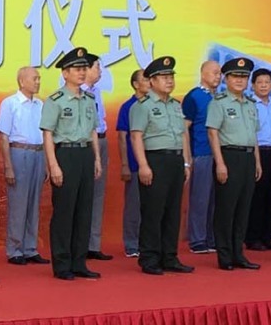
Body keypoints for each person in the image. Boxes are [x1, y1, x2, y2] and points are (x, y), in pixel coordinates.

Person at [41, 47, 102, 280]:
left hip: (85, 154)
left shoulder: (89, 99)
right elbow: (48, 134)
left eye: (84, 68)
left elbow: (93, 131)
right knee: (64, 212)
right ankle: (62, 264)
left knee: (84, 211)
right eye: (76, 69)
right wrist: (53, 165)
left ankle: (79, 262)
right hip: (65, 154)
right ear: (65, 73)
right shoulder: (55, 100)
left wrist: (96, 158)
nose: (81, 72)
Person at [131, 57, 193, 274]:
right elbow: (136, 137)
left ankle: (170, 257)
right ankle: (149, 258)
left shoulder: (176, 105)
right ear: (152, 81)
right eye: (164, 77)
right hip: (154, 160)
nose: (169, 81)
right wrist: (143, 165)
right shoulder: (143, 106)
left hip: (175, 160)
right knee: (153, 211)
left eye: (171, 77)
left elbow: (182, 134)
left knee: (172, 211)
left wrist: (186, 161)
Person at [206, 57, 262, 271]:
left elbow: (253, 136)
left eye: (244, 77)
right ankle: (225, 255)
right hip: (228, 157)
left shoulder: (250, 104)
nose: (240, 81)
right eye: (235, 76)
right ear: (226, 79)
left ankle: (239, 253)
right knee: (226, 209)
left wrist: (257, 161)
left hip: (248, 158)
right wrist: (220, 164)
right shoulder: (219, 103)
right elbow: (213, 134)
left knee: (243, 209)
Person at [0, 65, 46, 265]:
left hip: (39, 153)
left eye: (39, 78)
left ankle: (30, 248)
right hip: (19, 153)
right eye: (34, 78)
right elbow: (3, 137)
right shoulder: (10, 103)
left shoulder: (40, 105)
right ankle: (15, 249)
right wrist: (8, 166)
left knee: (34, 202)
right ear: (21, 81)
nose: (37, 82)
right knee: (18, 203)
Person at [181, 59, 221, 254]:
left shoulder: (220, 98)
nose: (218, 76)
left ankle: (211, 237)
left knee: (216, 199)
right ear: (203, 73)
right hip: (201, 153)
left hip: (219, 154)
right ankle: (197, 239)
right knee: (200, 198)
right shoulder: (194, 97)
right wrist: (187, 159)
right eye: (214, 72)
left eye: (219, 73)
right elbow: (184, 129)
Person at [246, 68, 271, 251]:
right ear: (253, 85)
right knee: (257, 196)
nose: (263, 85)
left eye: (267, 82)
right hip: (258, 152)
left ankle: (268, 237)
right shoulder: (250, 105)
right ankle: (253, 238)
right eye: (259, 82)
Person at [83, 59, 114, 262]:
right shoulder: (75, 93)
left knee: (98, 195)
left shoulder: (97, 92)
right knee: (82, 196)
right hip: (84, 146)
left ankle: (93, 245)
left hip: (101, 141)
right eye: (97, 67)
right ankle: (79, 244)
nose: (100, 71)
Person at [117, 68, 149, 258]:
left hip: (153, 163)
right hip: (134, 163)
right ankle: (131, 244)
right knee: (133, 206)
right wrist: (125, 164)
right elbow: (122, 137)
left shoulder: (154, 105)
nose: (149, 82)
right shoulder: (128, 106)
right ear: (136, 84)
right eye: (145, 79)